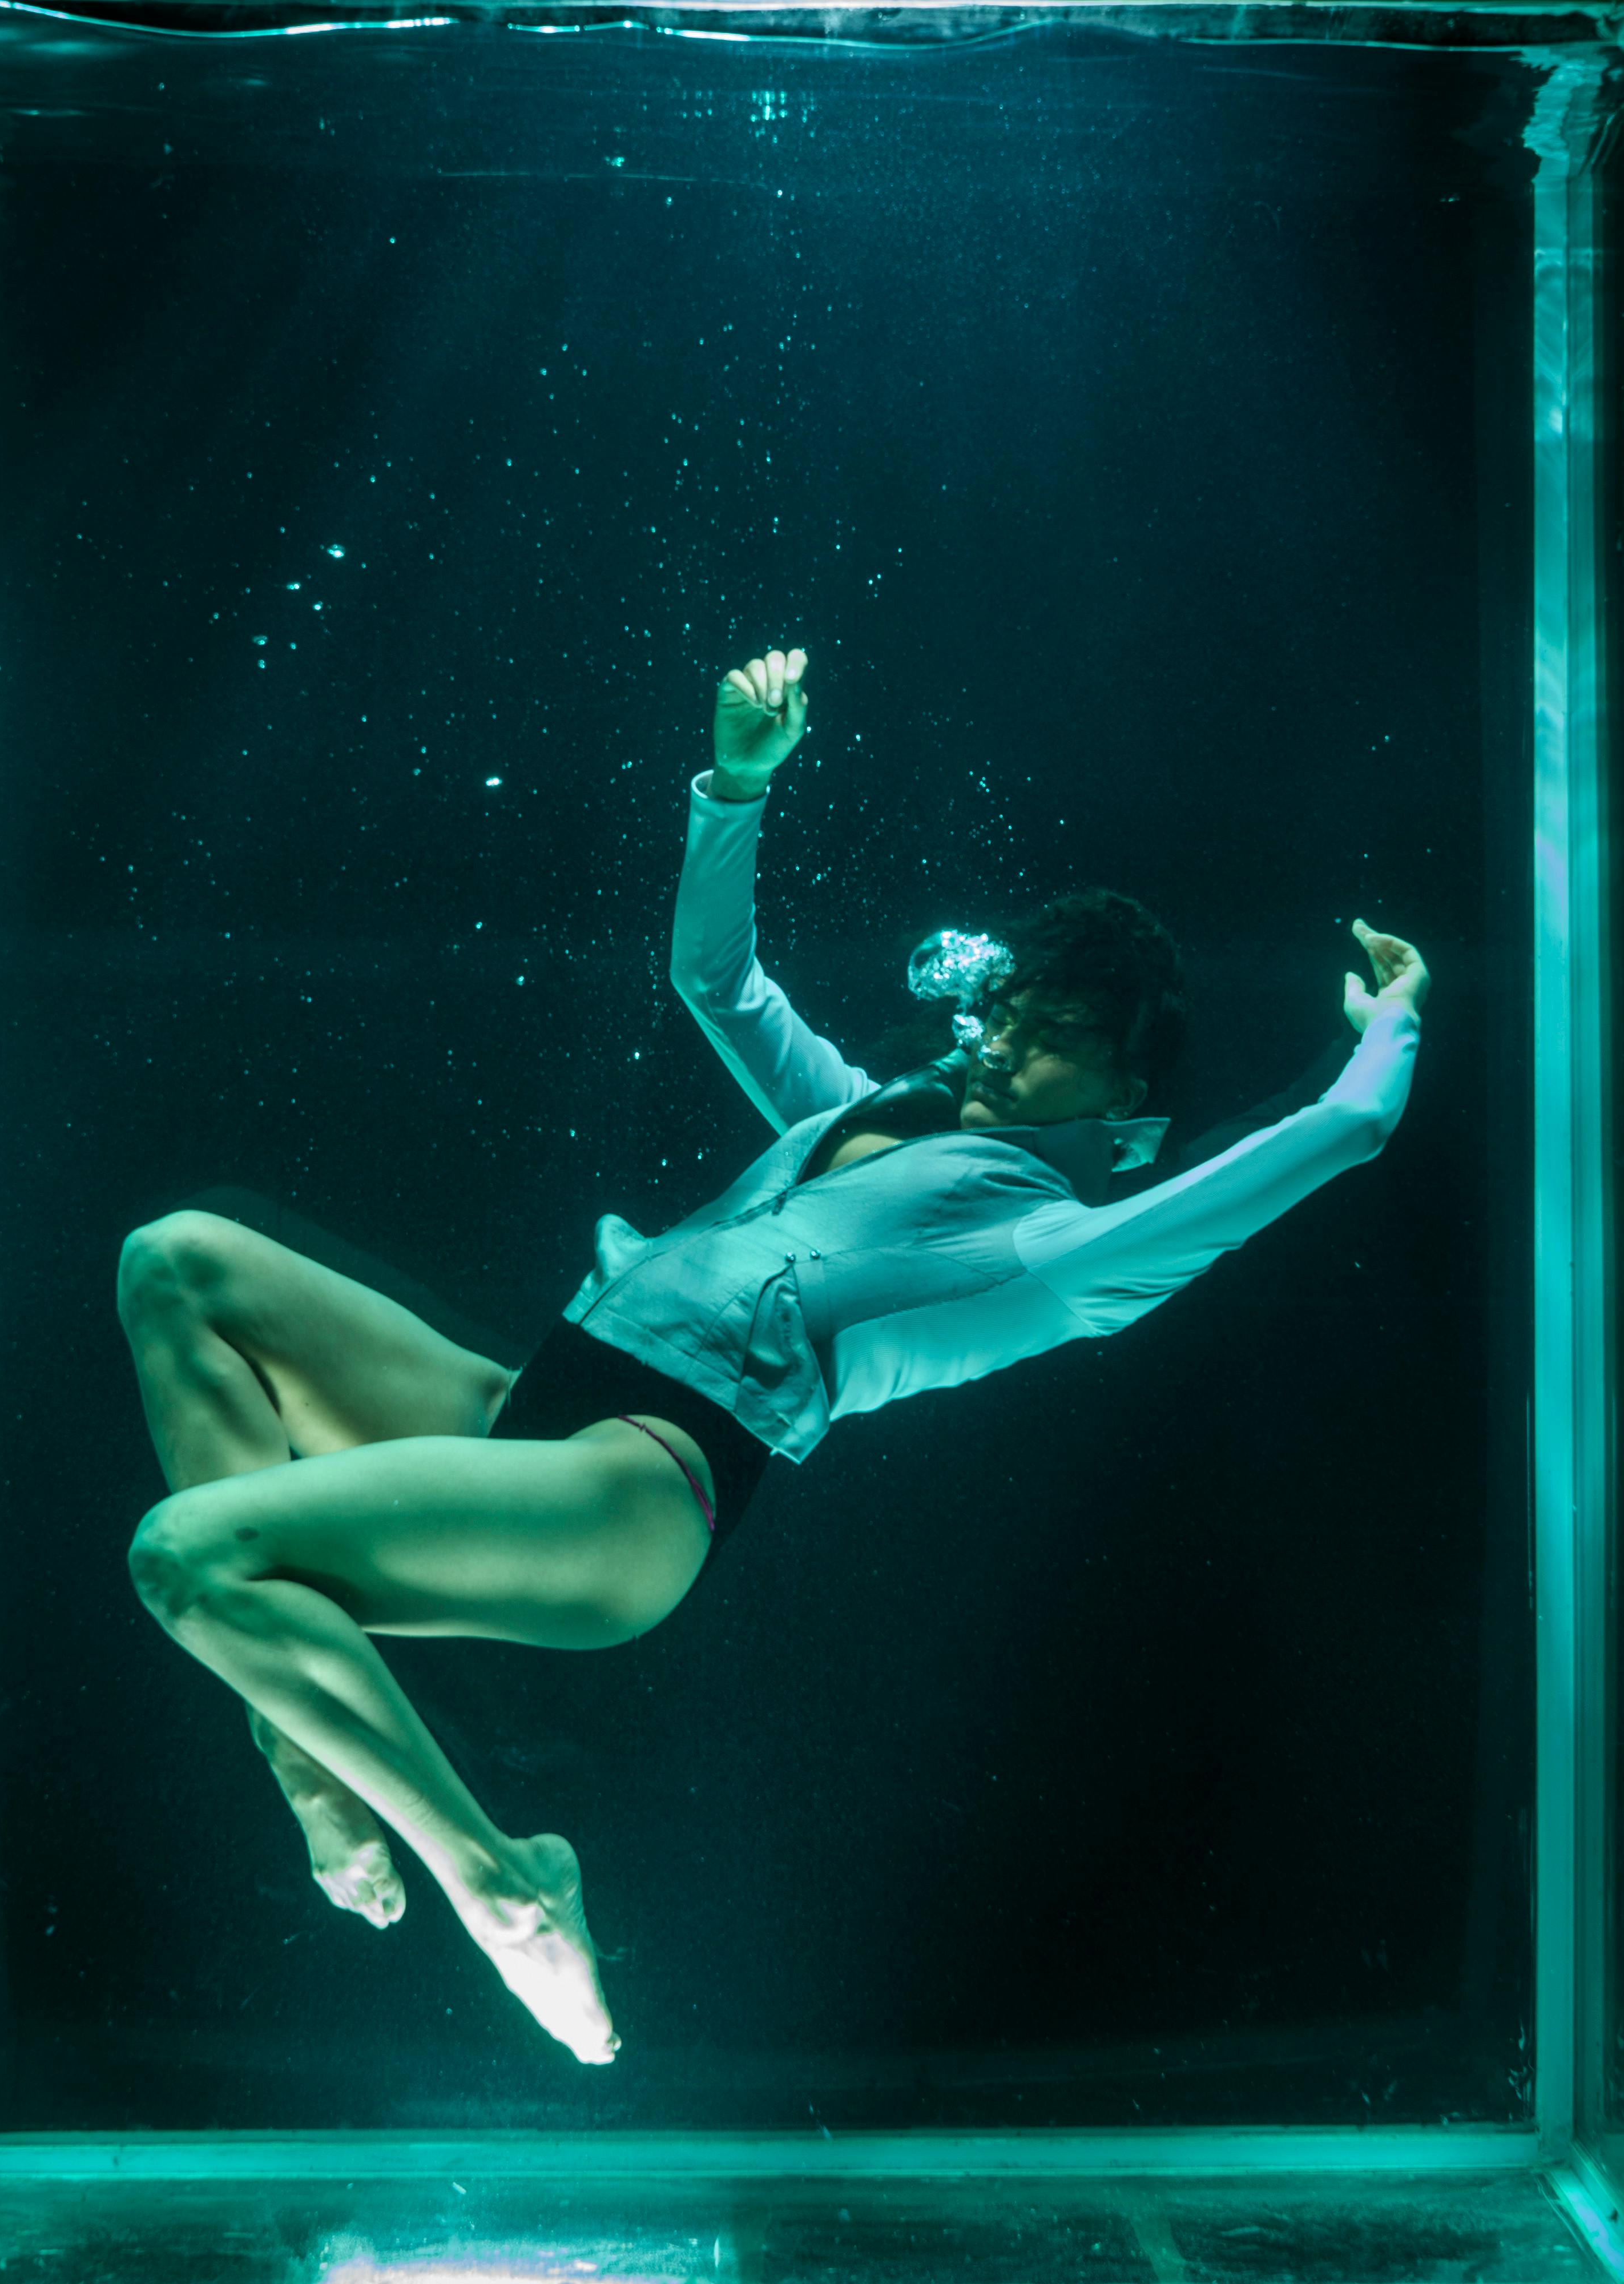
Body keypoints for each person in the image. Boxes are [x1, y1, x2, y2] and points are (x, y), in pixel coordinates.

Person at [119, 646, 1429, 2068]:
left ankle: (501, 1880)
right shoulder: (864, 1110)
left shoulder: (1052, 1249)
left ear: (1128, 1100)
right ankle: (308, 1758)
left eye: (1059, 1038)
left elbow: (1336, 1135)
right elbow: (715, 978)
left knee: (189, 1554)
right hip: (536, 1398)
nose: (1010, 1038)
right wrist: (736, 784)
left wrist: (1389, 1029)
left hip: (637, 1488)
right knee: (180, 1258)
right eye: (1020, 1009)